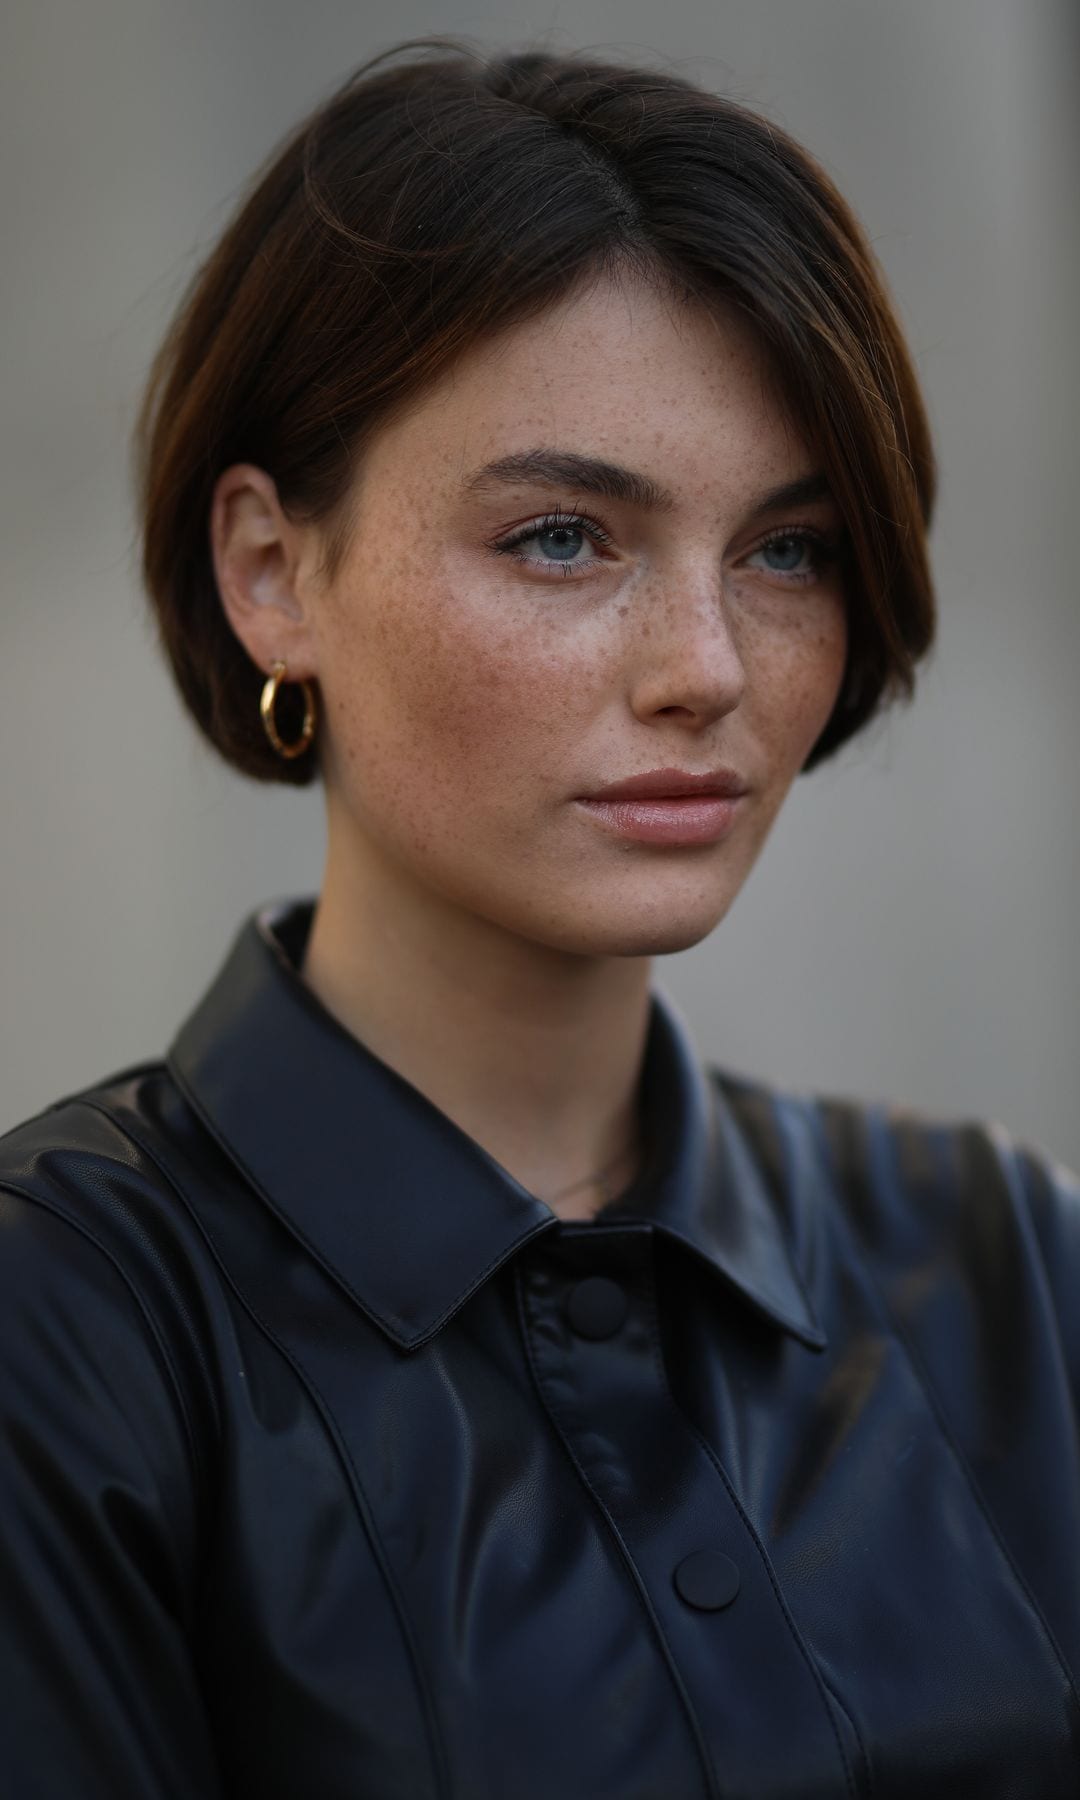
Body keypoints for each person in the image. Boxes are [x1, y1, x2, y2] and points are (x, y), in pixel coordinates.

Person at [1, 39, 1077, 1800]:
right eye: (566, 536)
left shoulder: (1005, 1262)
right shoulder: (69, 1325)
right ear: (270, 570)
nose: (706, 668)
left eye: (788, 550)